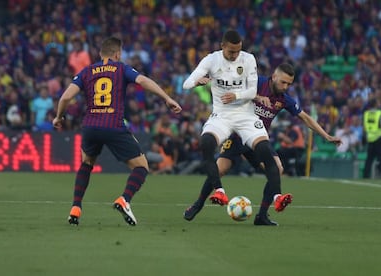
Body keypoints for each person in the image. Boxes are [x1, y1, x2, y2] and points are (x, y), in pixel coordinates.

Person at [184, 63, 342, 225]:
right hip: (237, 136)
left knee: (277, 168)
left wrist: (326, 136)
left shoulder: (284, 99)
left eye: (289, 84)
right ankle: (198, 204)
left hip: (258, 140)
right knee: (220, 169)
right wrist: (207, 78)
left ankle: (262, 216)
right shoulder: (256, 82)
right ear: (274, 77)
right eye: (283, 82)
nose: (285, 87)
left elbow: (305, 117)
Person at [52, 36, 182, 226]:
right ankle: (125, 199)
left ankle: (75, 208)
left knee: (87, 163)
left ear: (100, 53)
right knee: (142, 166)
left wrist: (59, 116)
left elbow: (65, 97)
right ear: (117, 54)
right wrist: (166, 98)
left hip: (90, 126)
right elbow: (144, 81)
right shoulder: (121, 68)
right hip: (113, 124)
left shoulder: (87, 71)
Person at [182, 30, 292, 225]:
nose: (235, 55)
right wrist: (196, 83)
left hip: (246, 116)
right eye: (232, 51)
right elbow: (186, 83)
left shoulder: (248, 59)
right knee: (206, 143)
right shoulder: (211, 60)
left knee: (266, 151)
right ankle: (215, 194)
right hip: (222, 116)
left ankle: (276, 199)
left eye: (238, 50)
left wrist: (236, 96)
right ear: (223, 46)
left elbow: (251, 89)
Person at [363, 99, 381, 178]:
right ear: (376, 104)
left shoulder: (366, 114)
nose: (380, 104)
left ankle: (365, 176)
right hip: (379, 138)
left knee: (369, 160)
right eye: (378, 102)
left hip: (370, 139)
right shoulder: (379, 113)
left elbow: (365, 128)